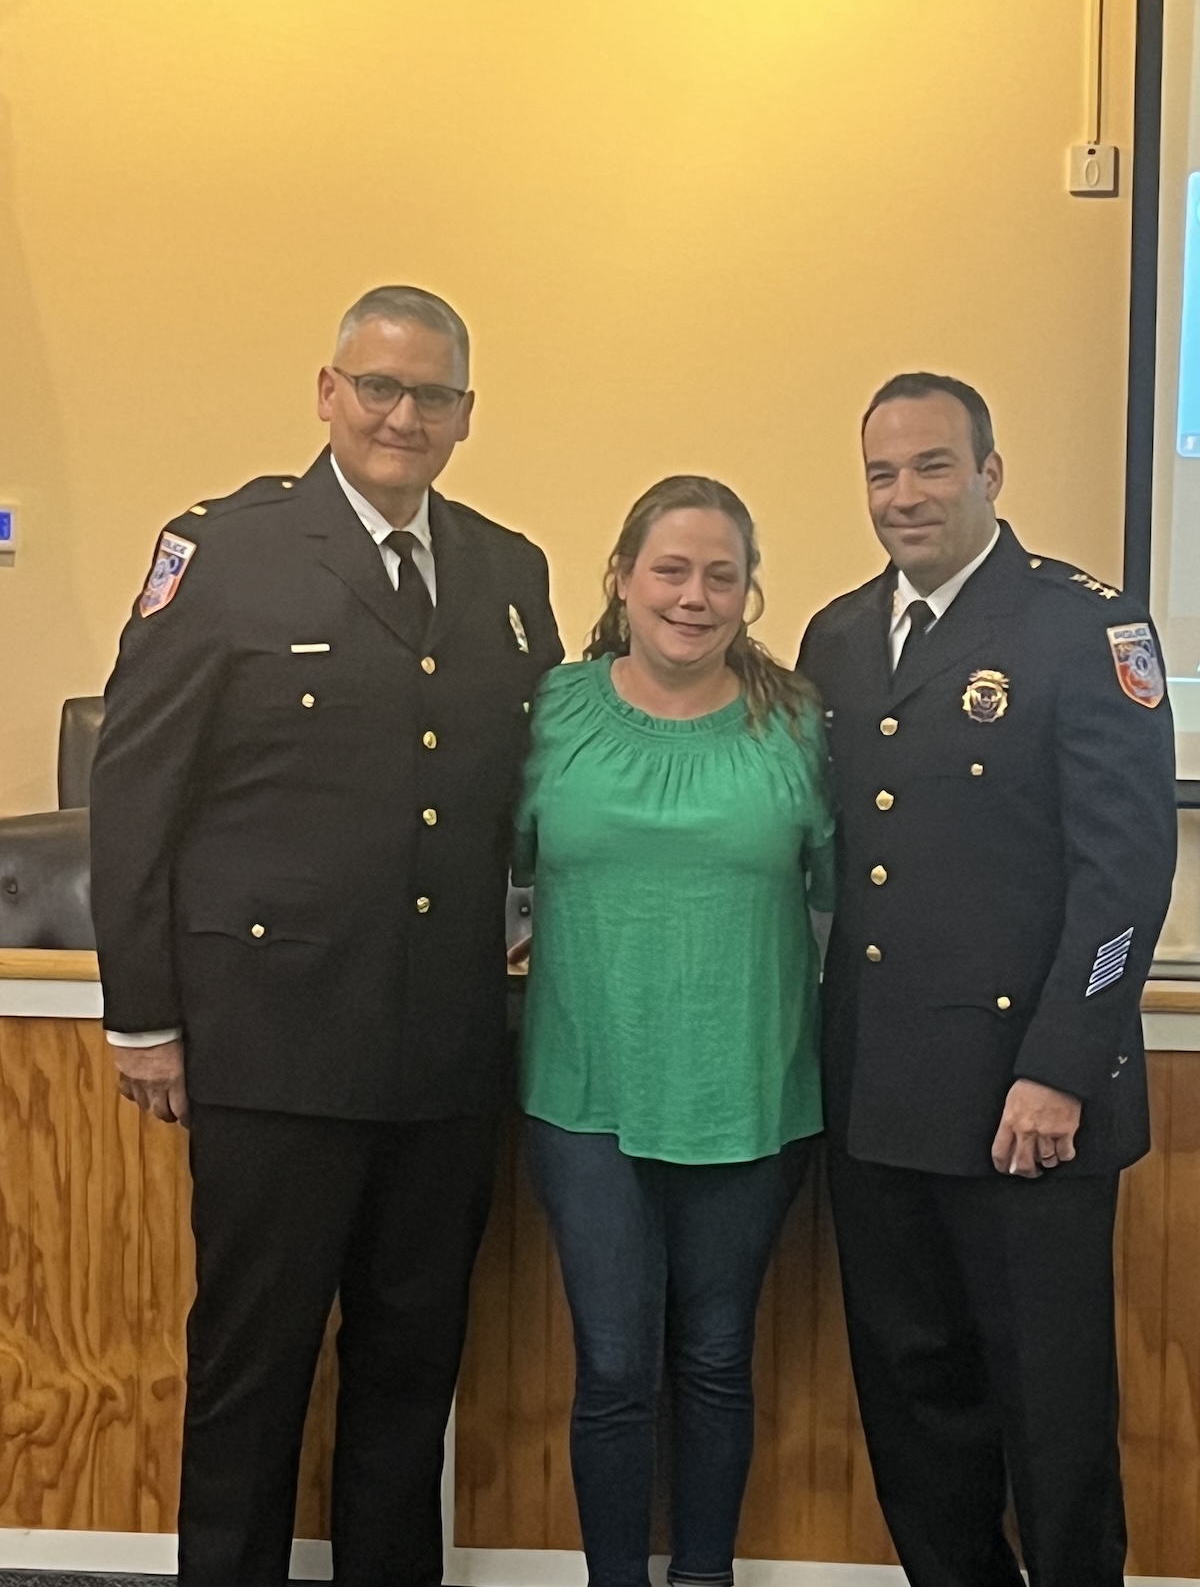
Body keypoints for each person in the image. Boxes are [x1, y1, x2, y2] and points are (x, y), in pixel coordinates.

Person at [89, 285, 562, 1587]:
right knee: (254, 1368)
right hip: (271, 1047)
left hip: (443, 1054)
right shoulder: (225, 552)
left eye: (434, 397)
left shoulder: (508, 572)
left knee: (413, 1372)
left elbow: (527, 791)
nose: (404, 416)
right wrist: (142, 1014)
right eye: (380, 388)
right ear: (328, 392)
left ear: (468, 415)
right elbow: (135, 789)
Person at [798, 373, 1177, 1587]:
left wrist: (1061, 1067)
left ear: (990, 473)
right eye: (880, 473)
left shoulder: (1086, 627)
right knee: (914, 1400)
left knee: (1052, 1413)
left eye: (931, 466)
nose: (904, 495)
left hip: (1030, 1108)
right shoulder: (838, 637)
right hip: (880, 1098)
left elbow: (1125, 877)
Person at [513, 475, 832, 1587]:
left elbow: (846, 898)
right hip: (585, 1092)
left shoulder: (800, 721)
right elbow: (485, 875)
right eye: (670, 570)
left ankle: (704, 1575)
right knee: (610, 1367)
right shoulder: (546, 711)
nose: (693, 597)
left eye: (721, 575)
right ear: (621, 577)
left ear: (749, 593)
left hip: (749, 1092)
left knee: (713, 1358)